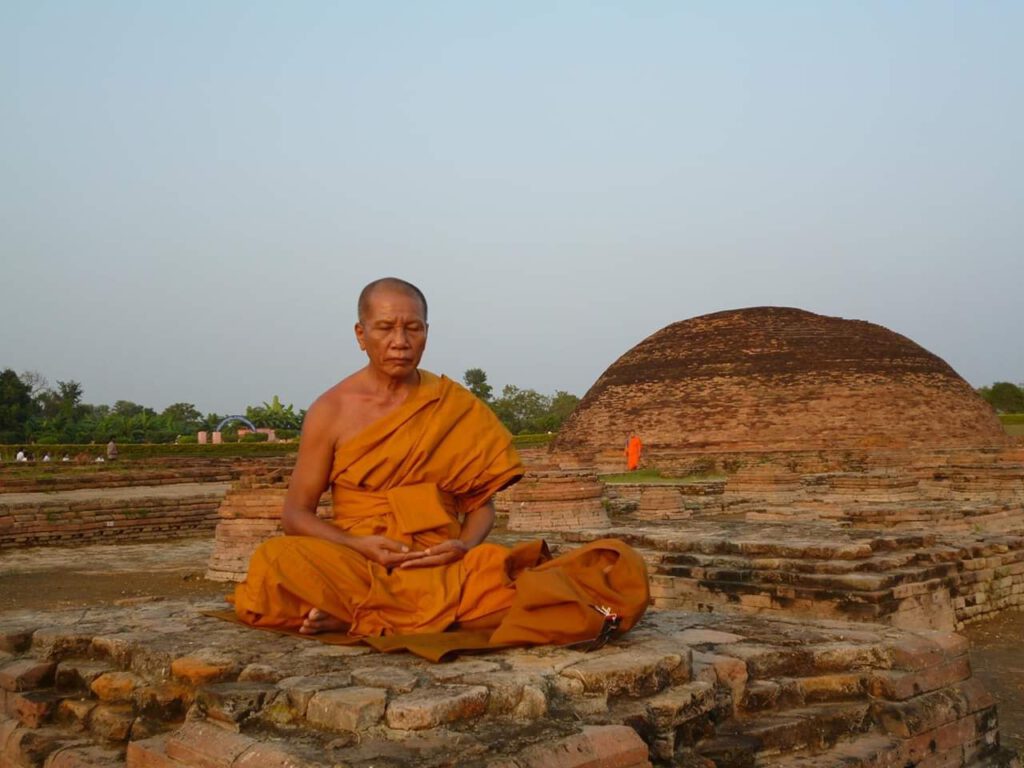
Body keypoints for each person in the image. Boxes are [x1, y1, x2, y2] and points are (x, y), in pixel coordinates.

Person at [232, 277, 648, 652]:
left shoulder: (452, 405)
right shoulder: (330, 411)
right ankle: (382, 613)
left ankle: (359, 617)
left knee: (569, 573)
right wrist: (358, 545)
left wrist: (463, 545)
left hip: (443, 564)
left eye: (412, 328)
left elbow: (481, 507)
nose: (400, 341)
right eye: (385, 328)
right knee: (275, 560)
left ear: (426, 333)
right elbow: (295, 514)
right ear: (361, 335)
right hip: (362, 563)